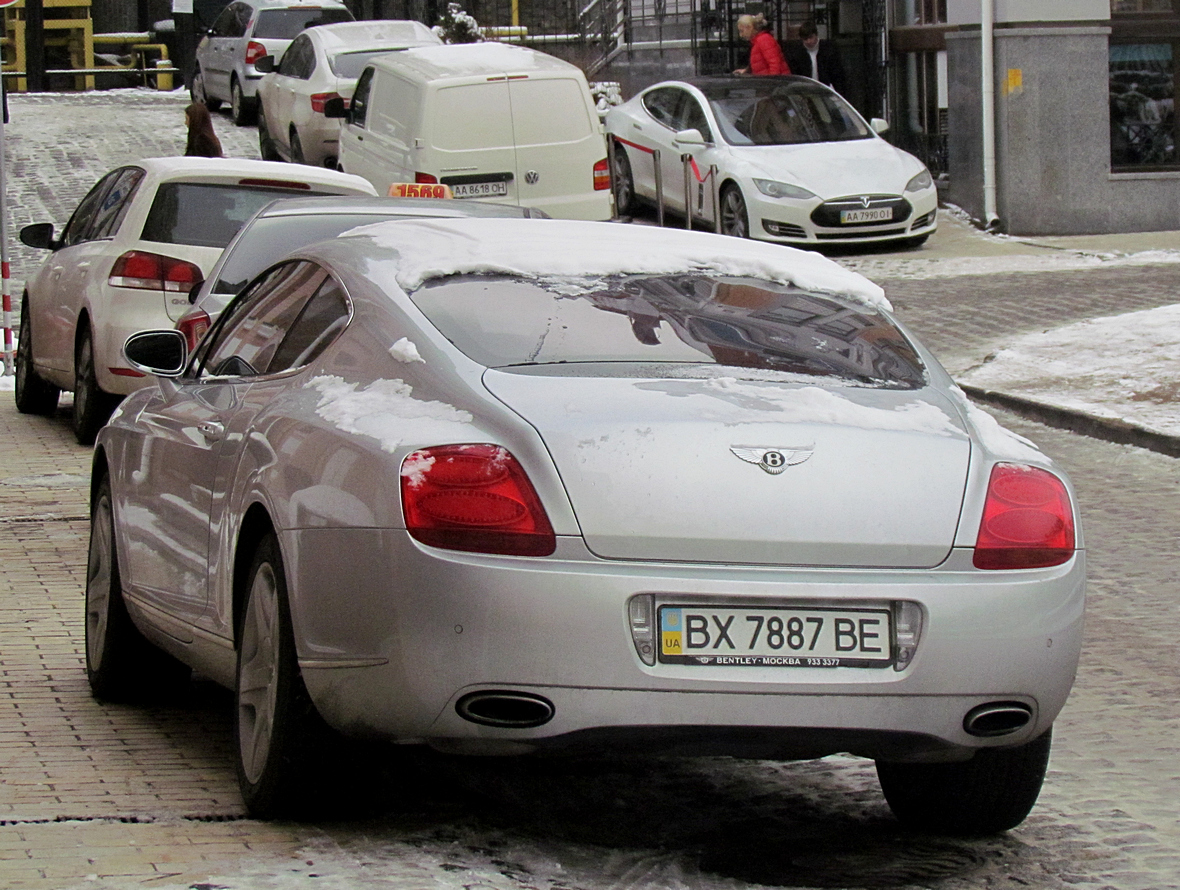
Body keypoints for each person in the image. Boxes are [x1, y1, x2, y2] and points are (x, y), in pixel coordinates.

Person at [784, 19, 847, 96]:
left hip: (826, 89)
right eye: (805, 39)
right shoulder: (797, 52)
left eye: (811, 37)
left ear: (816, 35)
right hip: (806, 91)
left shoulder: (828, 49)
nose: (808, 41)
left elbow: (837, 73)